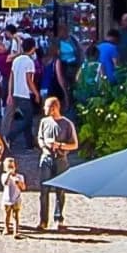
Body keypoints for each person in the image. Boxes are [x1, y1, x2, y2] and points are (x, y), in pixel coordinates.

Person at [36, 95, 79, 231]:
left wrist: (59, 145)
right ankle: (43, 220)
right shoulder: (44, 122)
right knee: (44, 190)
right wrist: (44, 146)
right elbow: (40, 137)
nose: (44, 109)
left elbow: (74, 145)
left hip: (60, 160)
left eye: (47, 106)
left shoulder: (67, 124)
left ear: (54, 108)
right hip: (46, 158)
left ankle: (58, 218)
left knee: (60, 190)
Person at [7, 38, 40, 148]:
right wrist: (36, 93)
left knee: (27, 119)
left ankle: (29, 143)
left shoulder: (16, 60)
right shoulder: (29, 62)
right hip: (25, 94)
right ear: (32, 48)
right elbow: (29, 80)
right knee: (27, 120)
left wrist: (10, 93)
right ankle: (10, 136)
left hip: (16, 93)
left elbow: (11, 77)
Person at [0, 156, 26, 237]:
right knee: (7, 215)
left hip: (16, 199)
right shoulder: (4, 176)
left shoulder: (20, 176)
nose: (11, 169)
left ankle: (16, 231)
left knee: (16, 215)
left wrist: (19, 183)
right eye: (9, 167)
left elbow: (23, 187)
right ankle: (6, 228)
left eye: (12, 167)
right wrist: (8, 175)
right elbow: (4, 183)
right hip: (7, 199)